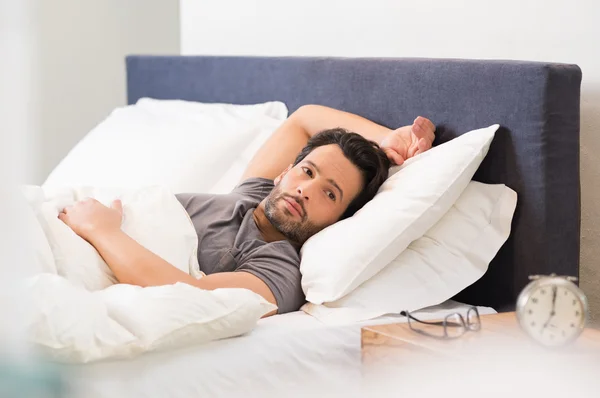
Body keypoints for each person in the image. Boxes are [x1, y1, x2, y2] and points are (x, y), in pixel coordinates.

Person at [58, 105, 436, 316]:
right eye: (306, 171)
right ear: (284, 172)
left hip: (89, 240)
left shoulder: (280, 273)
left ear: (341, 220)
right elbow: (303, 119)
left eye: (330, 194)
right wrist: (385, 139)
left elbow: (194, 294)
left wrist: (102, 231)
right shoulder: (255, 192)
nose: (305, 190)